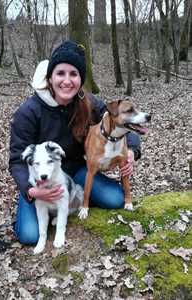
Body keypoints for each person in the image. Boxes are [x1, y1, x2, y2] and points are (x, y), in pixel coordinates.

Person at [9, 40, 141, 245]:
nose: (67, 81)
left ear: (80, 79)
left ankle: (73, 201)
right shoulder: (29, 112)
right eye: (60, 73)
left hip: (77, 171)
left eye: (74, 74)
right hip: (41, 179)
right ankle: (43, 207)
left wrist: (131, 149)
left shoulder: (87, 102)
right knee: (29, 236)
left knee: (115, 199)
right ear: (50, 77)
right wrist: (30, 189)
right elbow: (17, 160)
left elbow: (116, 120)